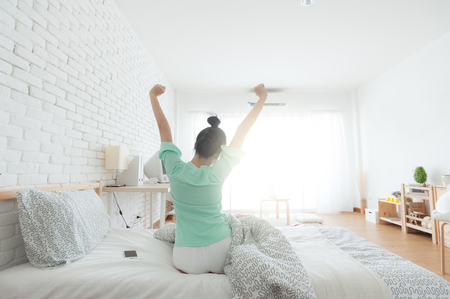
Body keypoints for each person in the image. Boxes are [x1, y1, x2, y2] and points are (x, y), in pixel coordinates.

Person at [149, 83, 268, 274]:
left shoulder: (175, 168)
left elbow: (163, 127)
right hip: (220, 251)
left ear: (195, 144)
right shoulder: (218, 171)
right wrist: (262, 97)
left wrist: (153, 95)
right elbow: (242, 131)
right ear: (220, 154)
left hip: (185, 259)